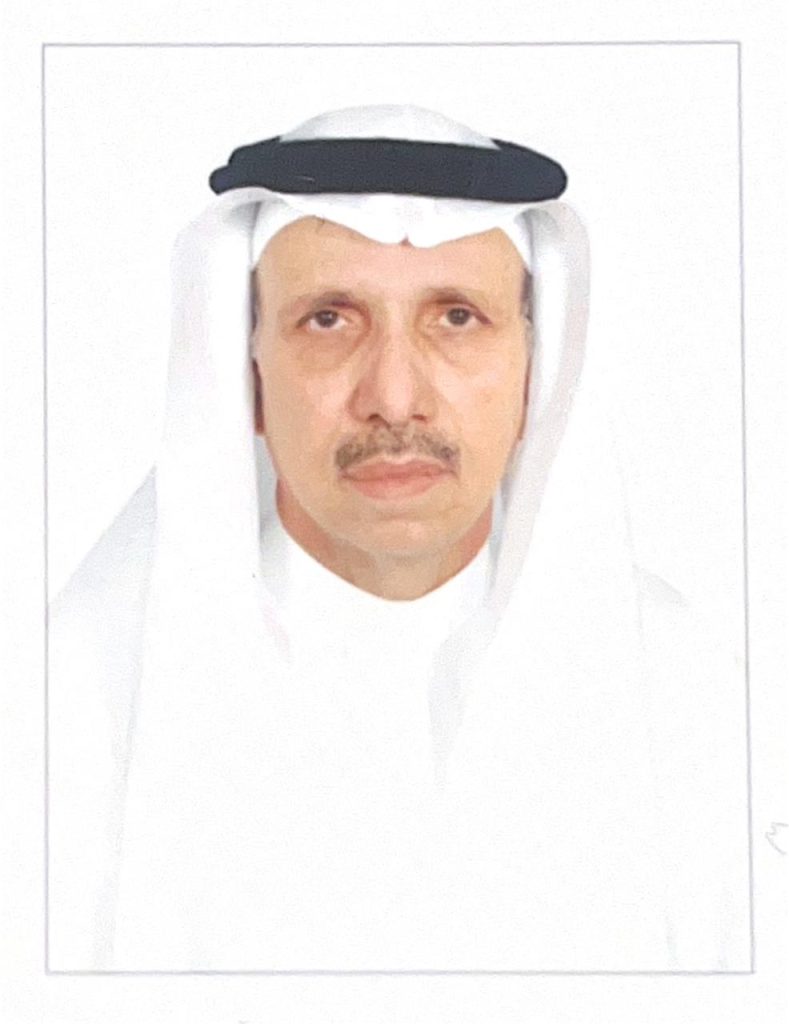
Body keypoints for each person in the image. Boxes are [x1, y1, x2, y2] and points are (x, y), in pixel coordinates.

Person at [48, 104, 749, 972]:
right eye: (329, 320)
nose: (393, 397)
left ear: (533, 373)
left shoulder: (685, 689)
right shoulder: (73, 704)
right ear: (247, 375)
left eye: (455, 318)